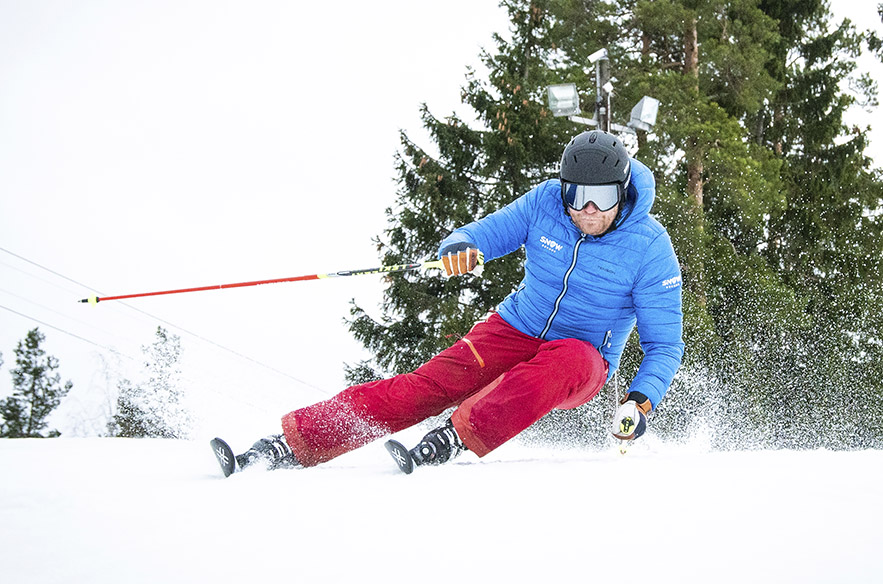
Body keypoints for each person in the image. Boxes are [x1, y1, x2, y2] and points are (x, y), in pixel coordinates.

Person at [215, 129, 684, 476]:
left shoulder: (650, 247)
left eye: (601, 198)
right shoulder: (545, 202)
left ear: (621, 192)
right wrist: (459, 248)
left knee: (567, 359)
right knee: (425, 386)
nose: (588, 210)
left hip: (582, 359)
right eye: (576, 196)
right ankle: (294, 442)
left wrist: (640, 402)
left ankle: (457, 436)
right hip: (514, 327)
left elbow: (664, 344)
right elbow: (485, 234)